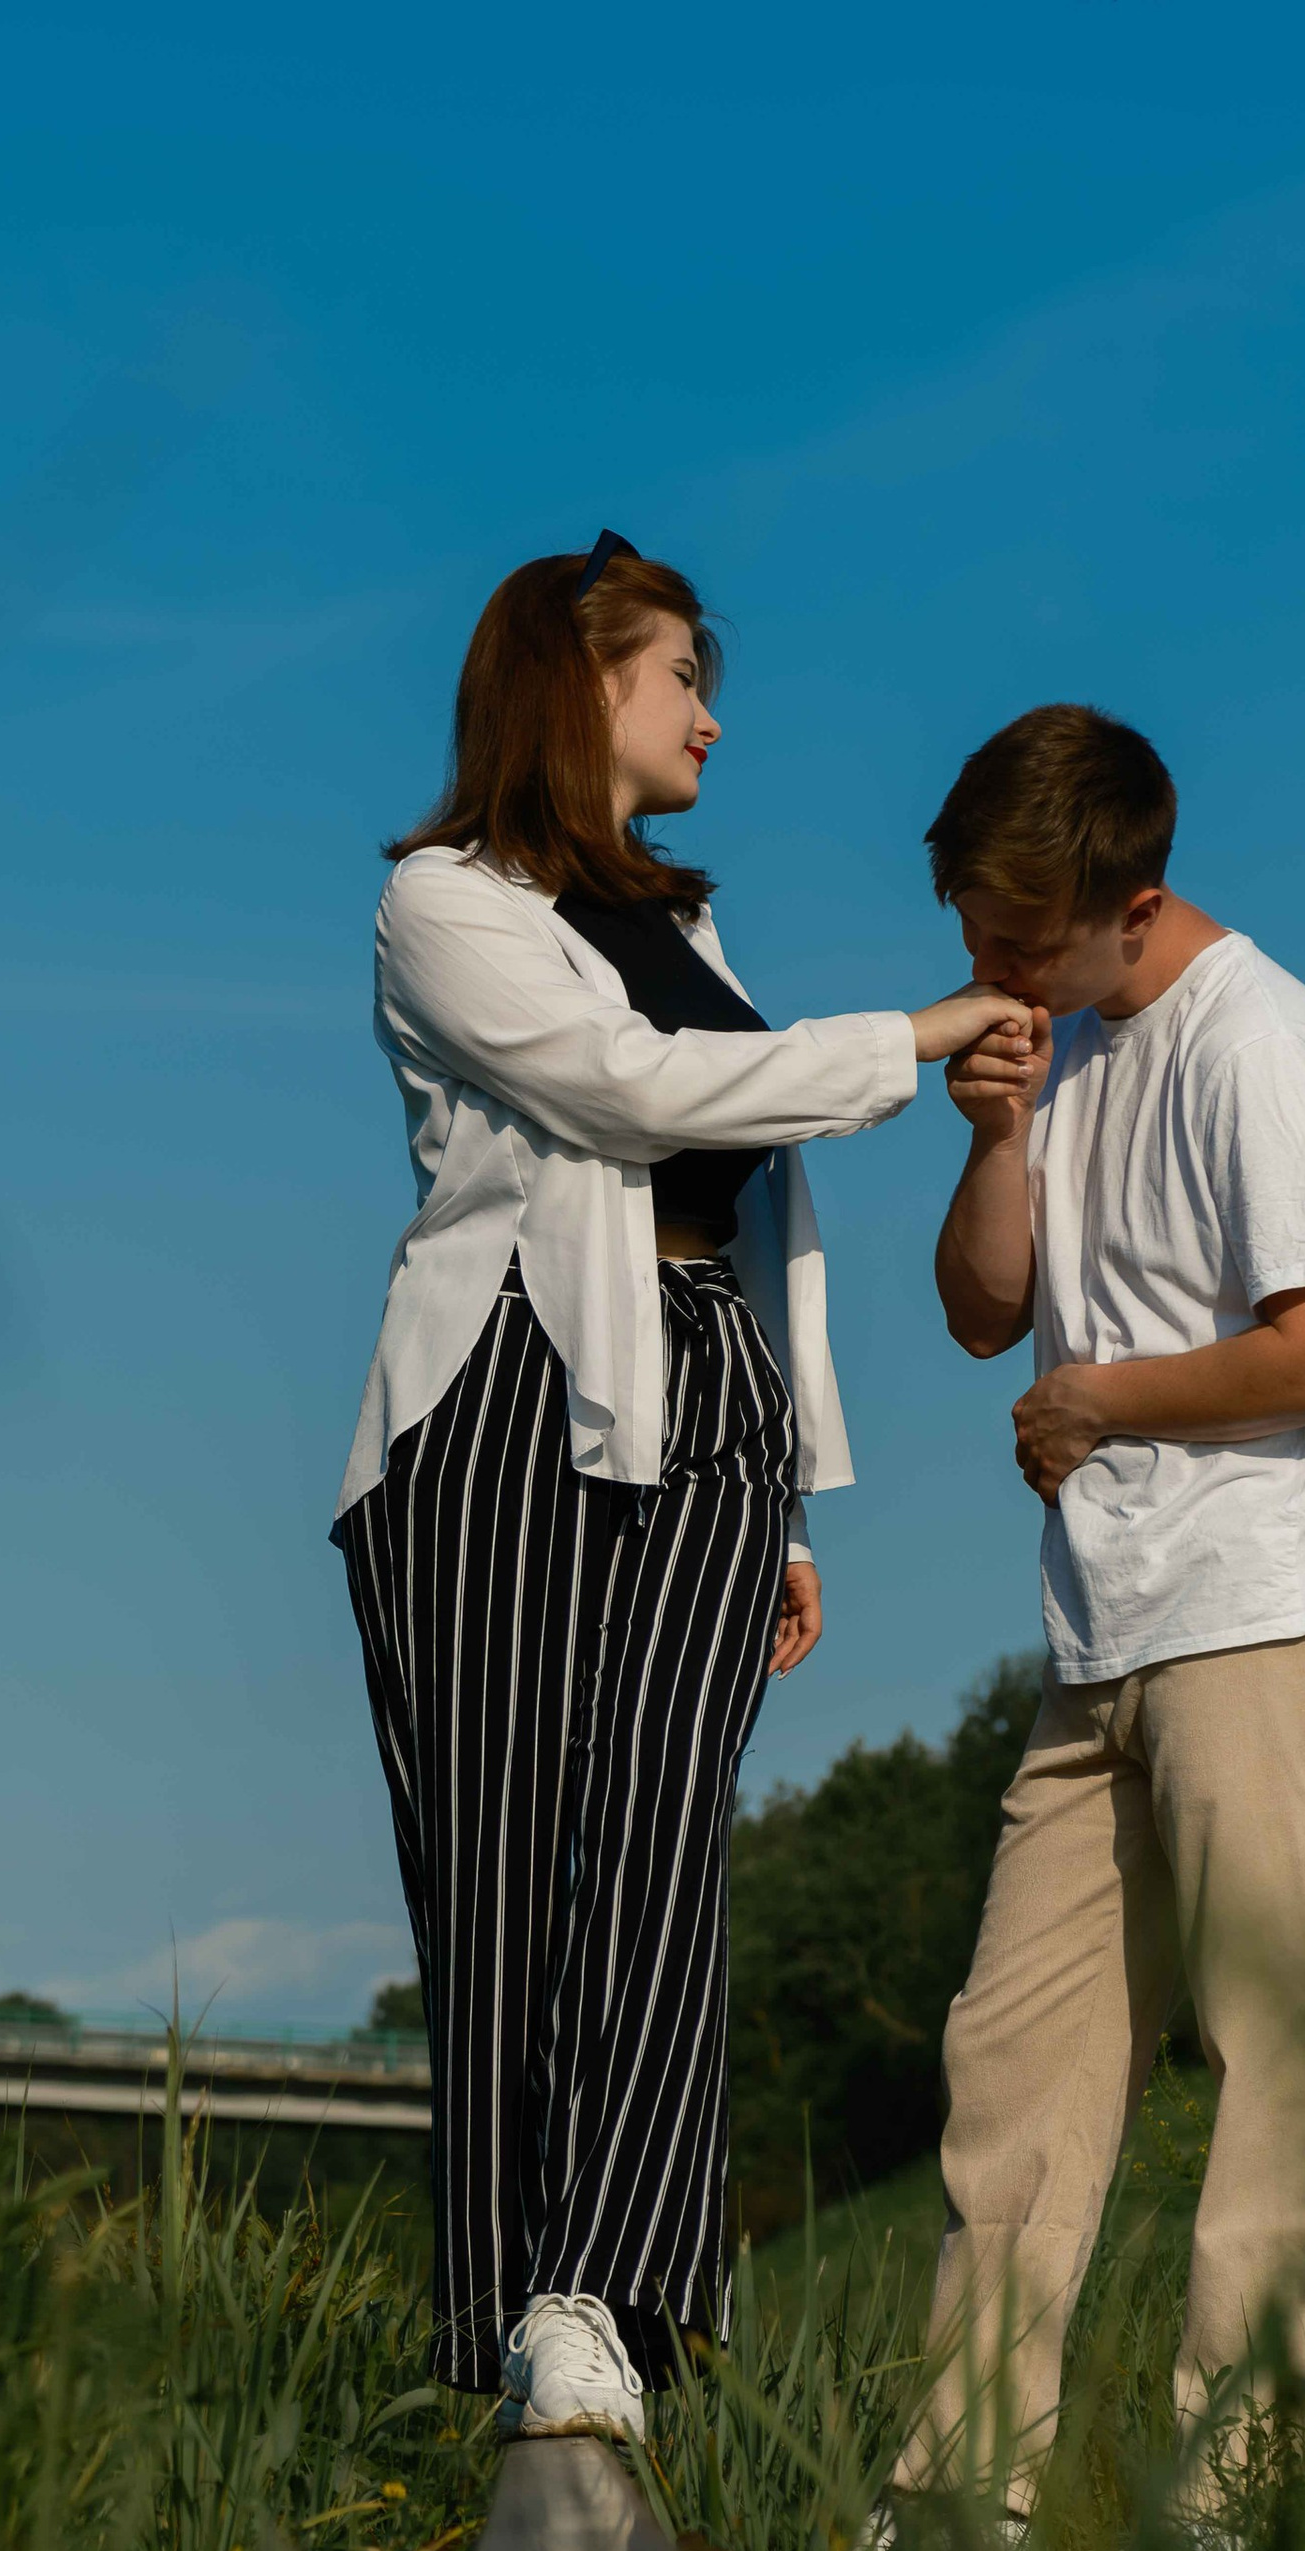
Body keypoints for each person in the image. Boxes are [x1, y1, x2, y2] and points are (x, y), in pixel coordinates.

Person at [336, 535, 1024, 2444]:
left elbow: (752, 1191)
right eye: (680, 676)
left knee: (660, 1850)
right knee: (499, 1870)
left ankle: (606, 2299)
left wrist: (791, 1493)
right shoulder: (441, 905)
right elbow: (635, 1098)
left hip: (708, 1399)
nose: (712, 712)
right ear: (578, 685)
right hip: (501, 1410)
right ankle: (506, 2313)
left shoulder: (693, 925)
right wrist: (909, 1037)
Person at [891, 702, 1305, 2523]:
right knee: (1011, 2077)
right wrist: (997, 1135)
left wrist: (1105, 1397)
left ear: (1135, 902)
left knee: (1280, 2070)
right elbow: (981, 1315)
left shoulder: (1262, 1039)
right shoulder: (1074, 1046)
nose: (986, 970)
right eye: (970, 930)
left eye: (1018, 940)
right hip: (1105, 1635)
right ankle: (962, 2507)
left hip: (1279, 1611)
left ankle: (1240, 2519)